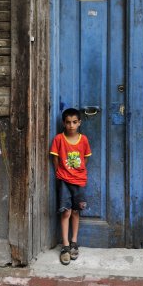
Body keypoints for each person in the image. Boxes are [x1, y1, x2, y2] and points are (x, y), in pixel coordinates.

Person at [50, 108, 92, 265]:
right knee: (66, 212)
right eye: (68, 122)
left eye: (74, 122)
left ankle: (74, 242)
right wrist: (61, 173)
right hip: (64, 180)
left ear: (79, 123)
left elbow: (85, 158)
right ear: (63, 123)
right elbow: (55, 159)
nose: (71, 125)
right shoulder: (59, 139)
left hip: (79, 181)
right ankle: (65, 245)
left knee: (75, 211)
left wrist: (77, 172)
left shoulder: (84, 140)